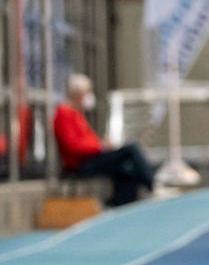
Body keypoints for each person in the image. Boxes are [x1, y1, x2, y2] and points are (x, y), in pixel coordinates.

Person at [52, 73, 154, 207]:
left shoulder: (76, 113)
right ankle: (152, 183)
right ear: (78, 94)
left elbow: (86, 139)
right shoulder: (64, 114)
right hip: (82, 163)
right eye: (88, 92)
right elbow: (73, 145)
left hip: (92, 158)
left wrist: (102, 143)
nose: (90, 95)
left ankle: (120, 203)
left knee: (127, 169)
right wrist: (100, 145)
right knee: (130, 149)